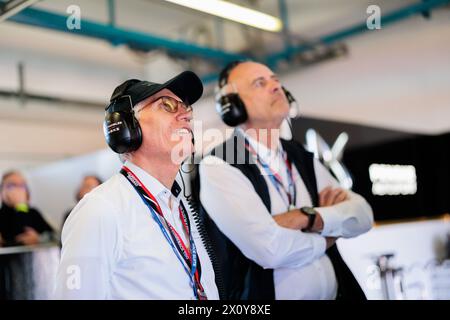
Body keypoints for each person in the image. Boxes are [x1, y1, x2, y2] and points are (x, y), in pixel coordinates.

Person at [197, 60, 374, 300]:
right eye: (260, 83)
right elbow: (270, 250)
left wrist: (307, 217)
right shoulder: (220, 163)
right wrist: (329, 233)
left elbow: (362, 216)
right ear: (231, 105)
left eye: (276, 81)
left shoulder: (300, 155)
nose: (276, 87)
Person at [54, 71, 219, 299]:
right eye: (168, 105)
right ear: (125, 128)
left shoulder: (177, 207)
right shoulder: (100, 210)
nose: (186, 115)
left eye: (186, 107)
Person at [0, 171, 54, 247]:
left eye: (22, 186)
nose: (17, 190)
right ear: (2, 191)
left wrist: (39, 239)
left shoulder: (33, 213)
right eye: (11, 186)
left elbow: (53, 236)